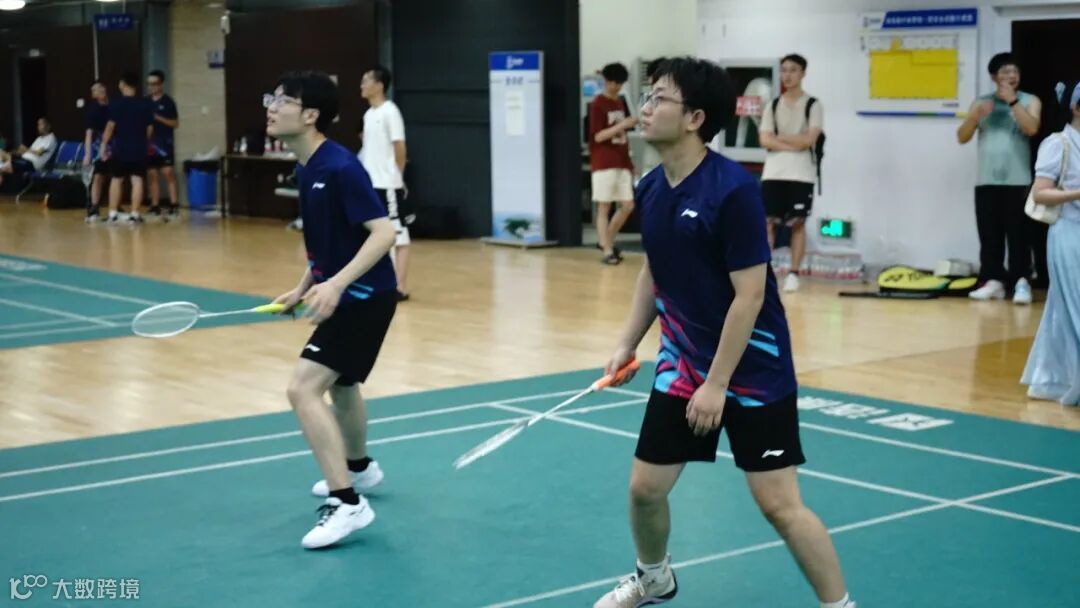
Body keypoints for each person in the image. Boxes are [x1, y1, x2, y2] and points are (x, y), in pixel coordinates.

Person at [593, 57, 854, 608]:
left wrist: (717, 384)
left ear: (695, 118)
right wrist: (627, 342)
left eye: (659, 98)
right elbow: (653, 271)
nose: (645, 108)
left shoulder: (733, 190)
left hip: (753, 369)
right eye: (647, 96)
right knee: (645, 489)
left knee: (779, 505)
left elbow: (750, 295)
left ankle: (840, 605)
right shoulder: (651, 187)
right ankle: (653, 576)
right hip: (683, 363)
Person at [266, 70, 398, 549]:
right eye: (272, 98)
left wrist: (337, 285)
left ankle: (347, 504)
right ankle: (359, 470)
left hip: (364, 297)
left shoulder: (340, 167)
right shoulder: (307, 167)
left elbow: (383, 233)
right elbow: (329, 242)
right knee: (342, 386)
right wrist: (304, 286)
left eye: (282, 100)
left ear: (310, 115)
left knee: (302, 388)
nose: (271, 107)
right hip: (348, 292)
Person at [957, 52, 1042, 305]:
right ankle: (993, 280)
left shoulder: (1029, 100)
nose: (1011, 75)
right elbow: (962, 137)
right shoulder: (981, 102)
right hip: (986, 180)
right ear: (994, 77)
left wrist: (1013, 101)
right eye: (1005, 72)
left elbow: (1032, 128)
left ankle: (1021, 281)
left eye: (1015, 71)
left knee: (1019, 236)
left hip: (1018, 180)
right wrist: (975, 117)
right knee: (989, 235)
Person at [1021, 81, 1080, 406]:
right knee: (1074, 305)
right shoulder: (1058, 143)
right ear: (1076, 108)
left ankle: (1054, 378)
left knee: (1062, 309)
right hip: (1068, 234)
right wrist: (1077, 193)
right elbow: (1040, 192)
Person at [759, 54, 824, 293]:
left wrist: (780, 138)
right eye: (784, 70)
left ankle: (794, 273)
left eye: (793, 70)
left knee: (797, 224)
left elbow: (809, 139)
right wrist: (793, 142)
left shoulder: (813, 105)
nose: (788, 75)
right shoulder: (773, 105)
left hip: (801, 174)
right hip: (773, 172)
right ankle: (765, 272)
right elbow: (765, 139)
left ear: (803, 73)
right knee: (768, 223)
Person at [359, 66, 412, 301]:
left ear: (379, 85)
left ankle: (400, 287)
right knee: (377, 236)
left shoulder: (391, 112)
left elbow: (400, 147)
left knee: (399, 236)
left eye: (366, 81)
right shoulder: (368, 115)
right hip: (371, 185)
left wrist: (397, 177)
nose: (362, 85)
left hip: (388, 184)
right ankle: (382, 284)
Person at [588, 62, 638, 265]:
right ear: (606, 81)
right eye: (612, 83)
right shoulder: (598, 104)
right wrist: (622, 125)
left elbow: (621, 136)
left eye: (619, 83)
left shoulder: (619, 103)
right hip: (604, 161)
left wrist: (629, 163)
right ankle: (607, 248)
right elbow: (597, 136)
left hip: (621, 161)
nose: (615, 87)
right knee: (604, 206)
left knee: (628, 205)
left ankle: (606, 241)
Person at [99, 72, 154, 224]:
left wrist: (103, 145)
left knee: (116, 179)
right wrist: (144, 142)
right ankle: (135, 214)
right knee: (137, 180)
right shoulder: (145, 104)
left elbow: (110, 127)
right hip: (139, 148)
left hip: (120, 148)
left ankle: (112, 214)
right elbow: (150, 129)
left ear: (122, 84)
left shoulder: (116, 104)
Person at [145, 70, 181, 219]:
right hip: (150, 145)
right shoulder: (145, 102)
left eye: (154, 84)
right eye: (149, 84)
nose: (151, 87)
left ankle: (174, 205)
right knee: (152, 175)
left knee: (168, 173)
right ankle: (155, 205)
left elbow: (175, 123)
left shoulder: (168, 102)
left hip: (165, 144)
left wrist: (158, 118)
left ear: (161, 84)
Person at [0, 118, 57, 187]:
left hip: (31, 164)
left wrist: (26, 149)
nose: (39, 127)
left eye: (41, 124)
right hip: (23, 160)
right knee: (1, 153)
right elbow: (29, 152)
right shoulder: (39, 139)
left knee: (4, 165)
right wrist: (16, 152)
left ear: (48, 126)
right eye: (38, 124)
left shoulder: (50, 138)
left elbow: (39, 153)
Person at [84, 80, 111, 222]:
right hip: (99, 145)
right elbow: (89, 134)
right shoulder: (92, 110)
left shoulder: (114, 105)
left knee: (117, 176)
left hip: (116, 144)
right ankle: (94, 206)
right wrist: (88, 154)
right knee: (98, 176)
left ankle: (115, 205)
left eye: (98, 88)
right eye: (94, 91)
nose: (97, 92)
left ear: (104, 88)